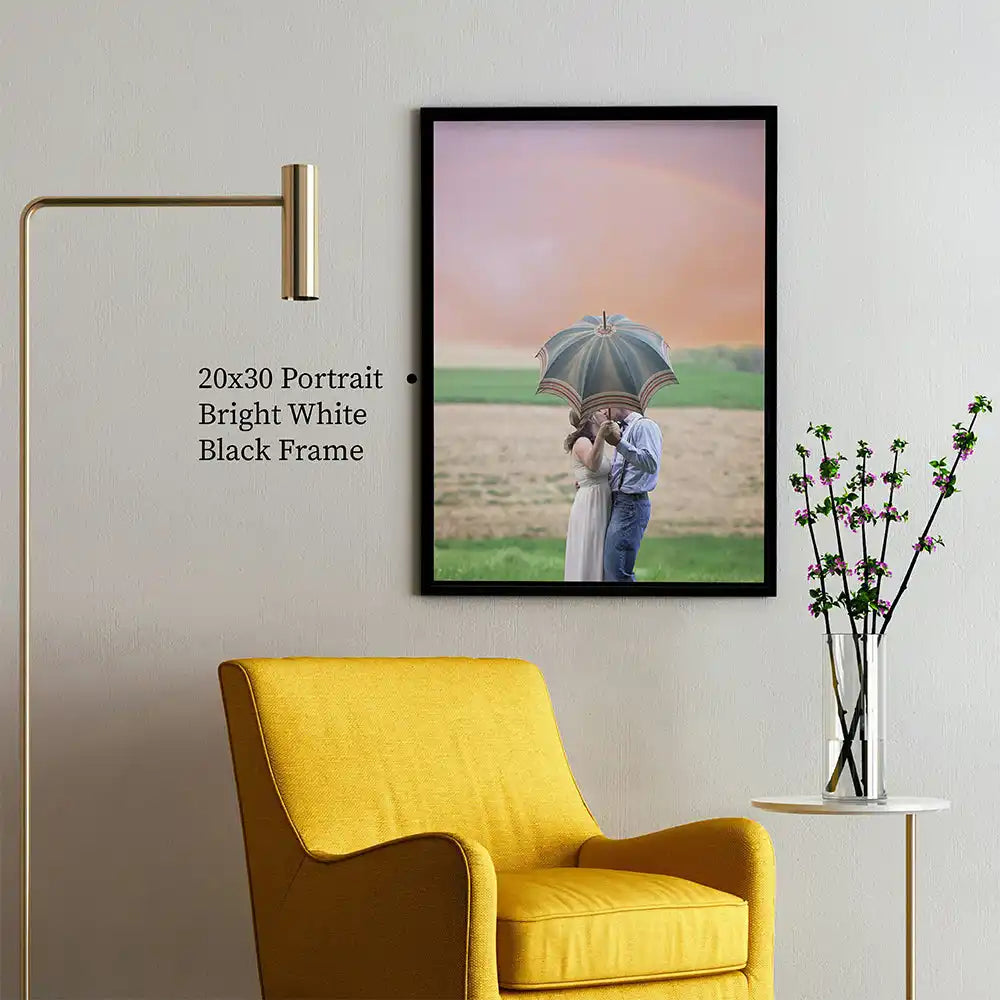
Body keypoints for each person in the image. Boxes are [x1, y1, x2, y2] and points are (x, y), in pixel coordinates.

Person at [600, 407, 663, 582]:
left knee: (616, 571)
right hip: (620, 503)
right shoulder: (624, 428)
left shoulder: (644, 426)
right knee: (612, 570)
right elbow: (622, 472)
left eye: (606, 406)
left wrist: (619, 443)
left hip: (631, 505)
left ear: (619, 401)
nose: (604, 412)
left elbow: (651, 463)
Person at [563, 410, 612, 582]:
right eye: (599, 411)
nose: (604, 412)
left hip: (600, 500)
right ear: (591, 417)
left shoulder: (591, 442)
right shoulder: (582, 442)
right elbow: (592, 464)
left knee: (598, 548)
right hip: (590, 504)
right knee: (590, 548)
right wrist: (601, 436)